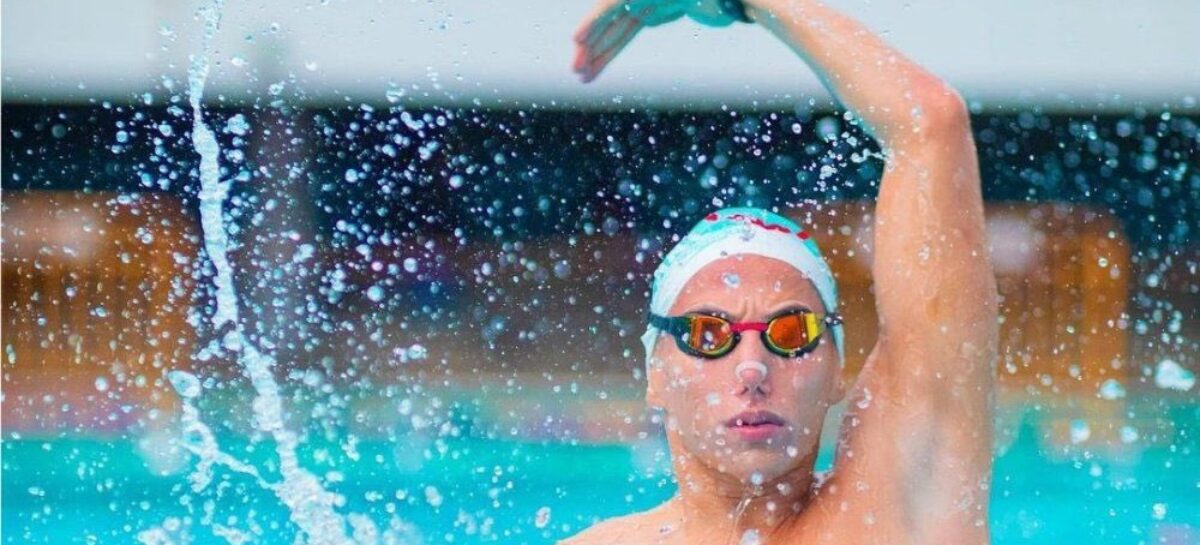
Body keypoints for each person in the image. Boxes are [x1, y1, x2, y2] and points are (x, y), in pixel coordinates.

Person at [564, 0, 999, 544]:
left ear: (837, 367)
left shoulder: (899, 511)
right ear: (656, 372)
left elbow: (928, 121)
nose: (752, 369)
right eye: (708, 334)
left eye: (791, 333)